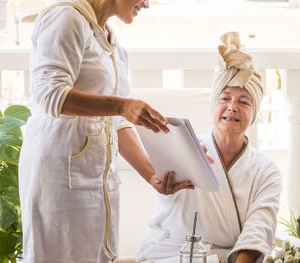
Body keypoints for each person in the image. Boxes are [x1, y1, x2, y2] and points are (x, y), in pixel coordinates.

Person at [18, 0, 193, 262]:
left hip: (97, 178)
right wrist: (122, 106)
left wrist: (152, 177)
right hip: (57, 174)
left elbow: (117, 120)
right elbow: (50, 95)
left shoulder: (113, 44)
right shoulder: (66, 18)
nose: (147, 4)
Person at [136, 32, 282, 263]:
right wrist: (167, 186)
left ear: (254, 114)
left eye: (243, 102)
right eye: (225, 98)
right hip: (172, 252)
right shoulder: (184, 146)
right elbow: (167, 196)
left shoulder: (266, 171)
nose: (232, 107)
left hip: (228, 257)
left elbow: (260, 226)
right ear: (213, 105)